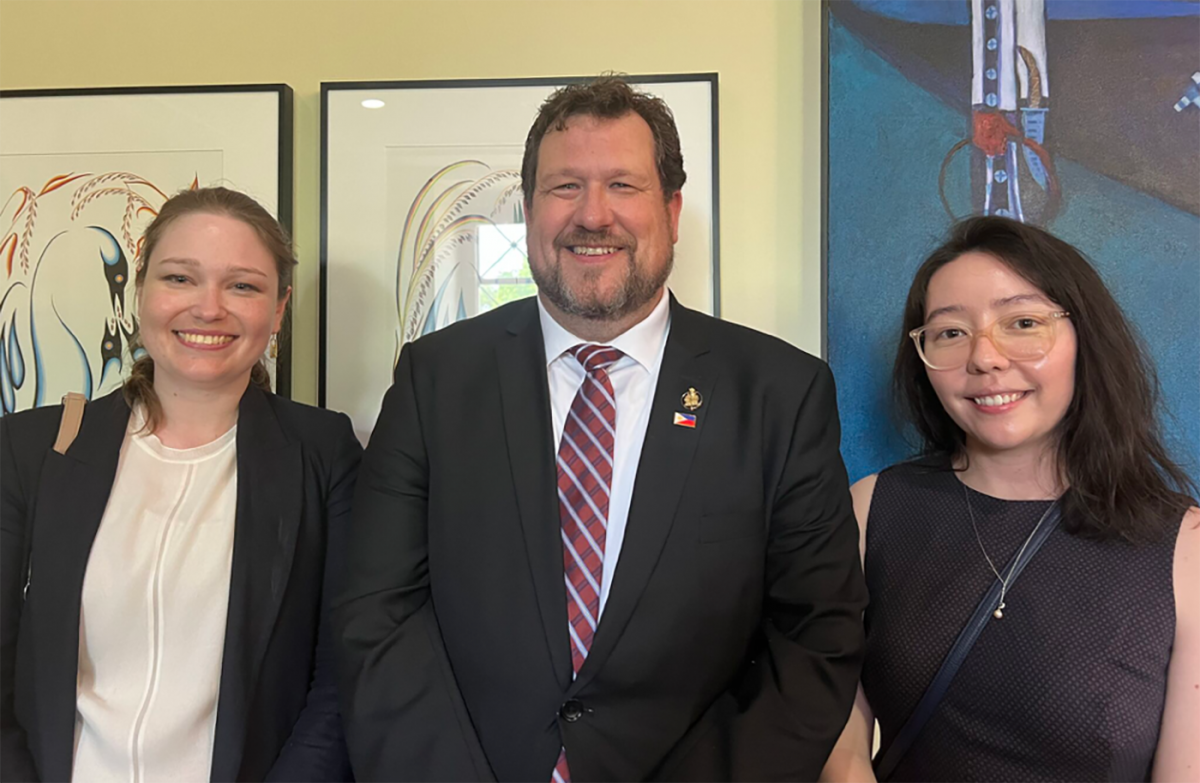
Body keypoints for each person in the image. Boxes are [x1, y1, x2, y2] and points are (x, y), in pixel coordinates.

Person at [334, 76, 868, 783]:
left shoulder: (780, 392)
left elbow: (815, 636)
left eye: (623, 185)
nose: (593, 215)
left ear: (671, 210)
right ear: (528, 211)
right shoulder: (435, 378)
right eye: (564, 188)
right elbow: (378, 614)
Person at [819, 216, 1200, 783]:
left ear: (1083, 339)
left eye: (1022, 322)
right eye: (950, 332)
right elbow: (837, 723)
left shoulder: (1183, 547)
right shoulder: (874, 509)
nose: (985, 358)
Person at [0, 187, 360, 783]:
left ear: (279, 309)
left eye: (243, 285)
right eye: (180, 278)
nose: (209, 308)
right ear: (141, 290)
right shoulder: (31, 451)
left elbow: (340, 679)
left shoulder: (323, 454)